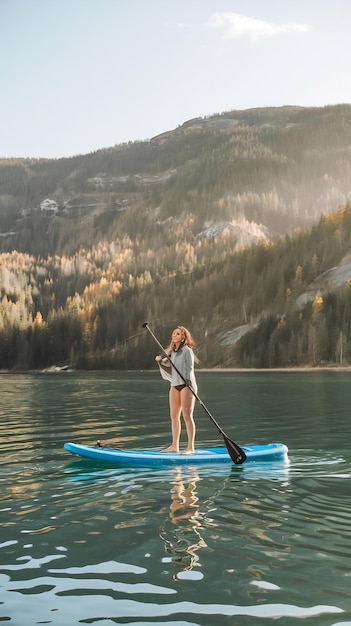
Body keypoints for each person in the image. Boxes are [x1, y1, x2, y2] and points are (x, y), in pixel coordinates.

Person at [155, 326, 198, 454]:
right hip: (175, 385)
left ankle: (190, 447)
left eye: (178, 334)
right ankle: (175, 446)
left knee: (187, 416)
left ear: (183, 337)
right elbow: (169, 368)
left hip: (187, 385)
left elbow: (189, 368)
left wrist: (187, 382)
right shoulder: (172, 352)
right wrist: (160, 362)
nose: (175, 335)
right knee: (174, 416)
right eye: (173, 333)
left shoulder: (187, 351)